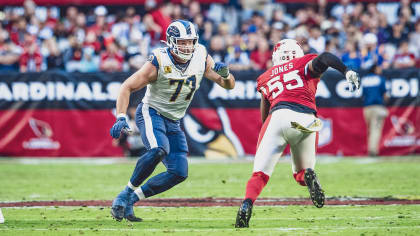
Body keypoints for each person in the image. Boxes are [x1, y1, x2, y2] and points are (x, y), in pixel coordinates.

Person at [109, 20, 235, 222]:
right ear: (170, 41)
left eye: (190, 42)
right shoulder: (159, 60)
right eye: (182, 42)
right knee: (159, 149)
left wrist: (226, 75)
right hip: (152, 112)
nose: (187, 46)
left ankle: (133, 198)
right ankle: (125, 193)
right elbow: (127, 86)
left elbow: (228, 85)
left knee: (179, 172)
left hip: (174, 121)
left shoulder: (201, 55)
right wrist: (121, 116)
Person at [234, 39, 360, 228]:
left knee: (259, 174)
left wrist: (272, 137)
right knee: (302, 172)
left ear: (276, 57)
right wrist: (346, 70)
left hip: (276, 118)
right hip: (306, 118)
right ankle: (308, 175)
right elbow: (325, 57)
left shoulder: (266, 76)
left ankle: (246, 204)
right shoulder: (303, 63)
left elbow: (264, 114)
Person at [362, 64, 389, 157]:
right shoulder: (380, 79)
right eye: (378, 67)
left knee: (370, 130)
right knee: (375, 130)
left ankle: (370, 149)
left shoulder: (365, 79)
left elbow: (363, 95)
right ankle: (373, 151)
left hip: (366, 108)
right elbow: (385, 95)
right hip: (377, 107)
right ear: (375, 69)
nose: (380, 69)